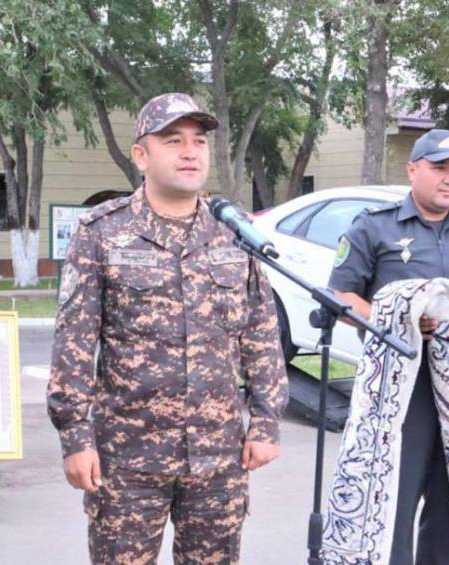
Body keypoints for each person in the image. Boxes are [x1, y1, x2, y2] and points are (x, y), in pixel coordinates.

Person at [47, 92, 288, 564]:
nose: (190, 151)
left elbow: (260, 331)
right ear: (141, 156)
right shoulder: (101, 231)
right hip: (127, 459)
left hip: (218, 456)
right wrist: (75, 436)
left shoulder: (232, 232)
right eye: (173, 140)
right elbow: (73, 341)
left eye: (199, 141)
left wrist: (266, 421)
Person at [328, 129, 449, 565]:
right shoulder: (373, 226)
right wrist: (398, 319)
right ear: (412, 170)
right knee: (393, 498)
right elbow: (341, 297)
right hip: (399, 390)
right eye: (439, 168)